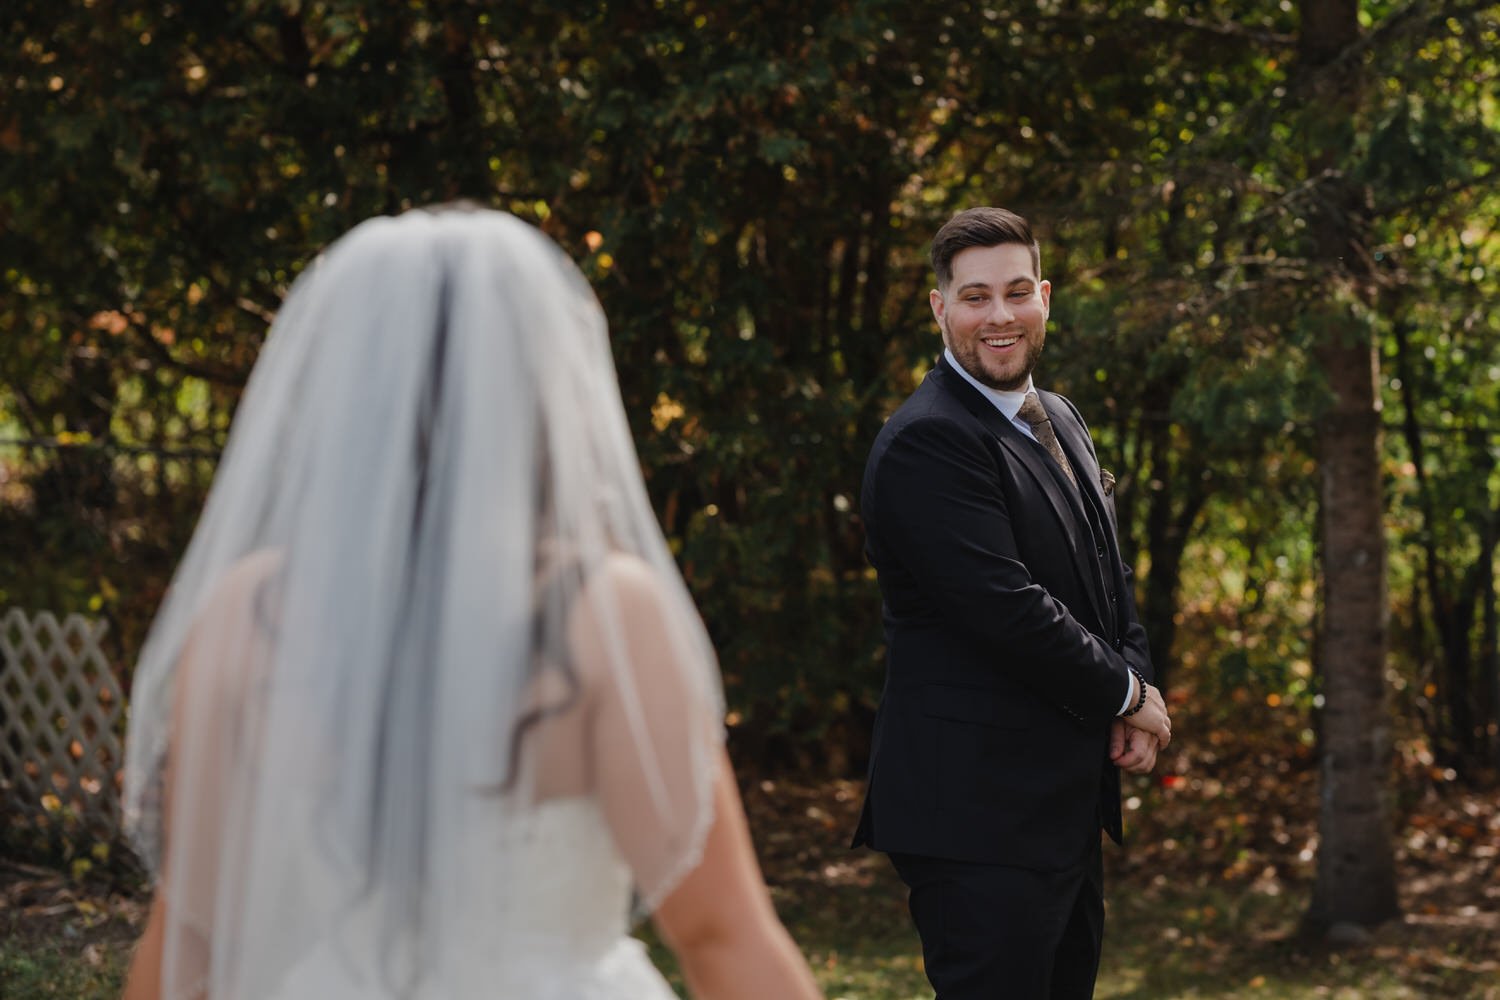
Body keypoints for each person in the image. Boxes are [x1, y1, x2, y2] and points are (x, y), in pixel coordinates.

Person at [120, 205, 822, 1000]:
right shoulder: (604, 619)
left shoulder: (244, 617)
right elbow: (719, 936)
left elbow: (191, 938)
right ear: (541, 390)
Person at [850, 207, 1173, 1000]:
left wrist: (1130, 684)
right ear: (940, 307)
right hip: (974, 815)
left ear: (1046, 298)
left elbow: (1105, 575)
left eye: (1017, 292)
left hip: (1060, 805)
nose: (1000, 316)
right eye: (975, 297)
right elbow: (1007, 608)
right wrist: (1128, 695)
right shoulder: (928, 441)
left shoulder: (1058, 416)